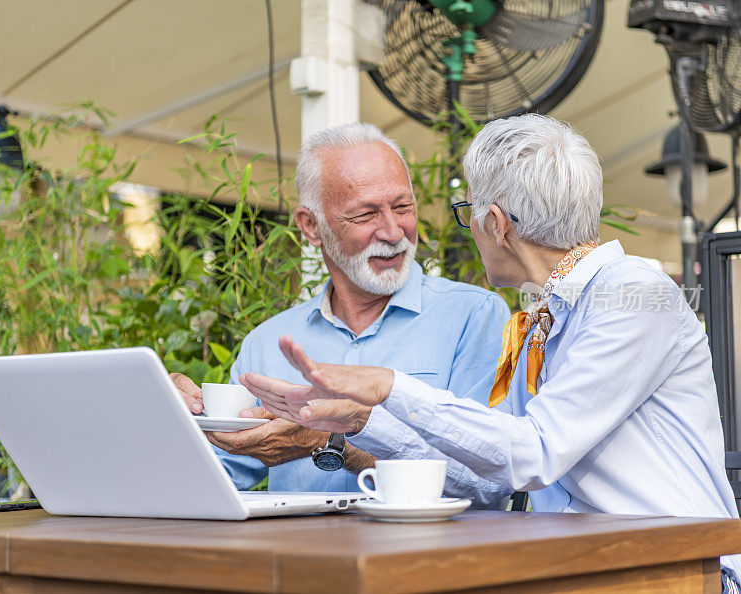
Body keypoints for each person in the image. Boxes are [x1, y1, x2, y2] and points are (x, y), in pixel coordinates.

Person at [240, 114, 741, 589]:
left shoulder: (634, 294)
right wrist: (357, 422)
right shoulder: (544, 317)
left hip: (679, 569)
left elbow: (534, 452)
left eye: (468, 213)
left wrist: (390, 388)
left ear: (496, 223)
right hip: (589, 568)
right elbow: (481, 466)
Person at [171, 122, 510, 503]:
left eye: (403, 207)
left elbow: (489, 480)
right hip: (295, 560)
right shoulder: (265, 343)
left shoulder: (474, 316)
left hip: (425, 557)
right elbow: (208, 481)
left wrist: (332, 442)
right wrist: (171, 417)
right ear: (311, 227)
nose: (394, 231)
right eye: (365, 215)